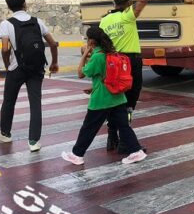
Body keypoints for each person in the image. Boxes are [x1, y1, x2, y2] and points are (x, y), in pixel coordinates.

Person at [61, 27, 146, 165]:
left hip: (101, 100)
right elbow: (106, 76)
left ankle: (77, 155)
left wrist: (84, 54)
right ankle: (136, 151)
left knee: (89, 127)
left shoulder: (97, 56)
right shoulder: (111, 53)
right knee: (124, 126)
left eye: (87, 39)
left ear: (92, 42)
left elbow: (81, 73)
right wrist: (93, 86)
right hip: (118, 97)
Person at [100, 0, 159, 154]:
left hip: (111, 64)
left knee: (116, 101)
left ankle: (112, 136)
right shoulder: (128, 16)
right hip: (129, 65)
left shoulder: (104, 21)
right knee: (128, 105)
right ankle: (126, 142)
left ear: (114, 0)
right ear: (129, 2)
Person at [0, 0, 59, 152]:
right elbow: (53, 44)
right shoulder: (37, 21)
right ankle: (33, 141)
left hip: (16, 68)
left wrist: (7, 65)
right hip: (36, 68)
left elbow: (5, 48)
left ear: (9, 7)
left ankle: (5, 133)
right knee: (35, 103)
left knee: (9, 100)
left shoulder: (6, 24)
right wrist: (54, 62)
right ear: (24, 4)